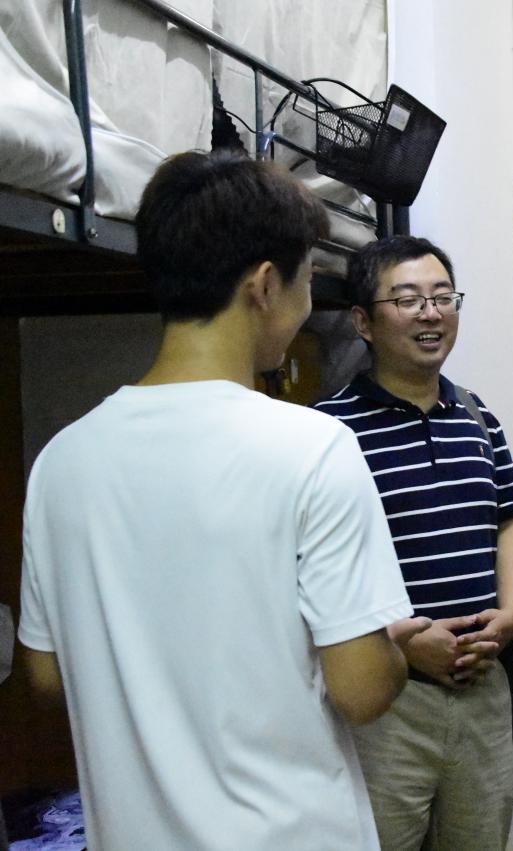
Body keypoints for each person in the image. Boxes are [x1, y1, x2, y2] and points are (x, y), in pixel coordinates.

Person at [17, 150, 425, 850]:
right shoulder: (313, 447)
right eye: (306, 280)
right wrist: (392, 648)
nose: (306, 306)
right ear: (264, 285)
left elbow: (47, 675)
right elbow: (362, 692)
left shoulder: (62, 460)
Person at [313, 234, 513, 851]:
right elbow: (315, 570)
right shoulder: (328, 430)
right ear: (363, 321)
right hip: (387, 694)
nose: (431, 313)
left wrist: (511, 614)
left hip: (483, 681)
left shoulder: (478, 416)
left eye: (443, 297)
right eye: (408, 299)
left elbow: (512, 518)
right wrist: (402, 641)